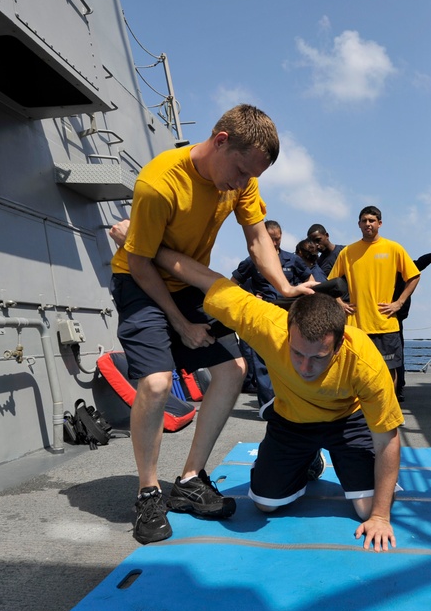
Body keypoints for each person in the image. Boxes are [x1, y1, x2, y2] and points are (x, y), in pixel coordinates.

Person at [109, 104, 314, 545]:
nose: (242, 184)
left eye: (250, 177)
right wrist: (182, 324)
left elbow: (258, 237)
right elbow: (142, 263)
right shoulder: (159, 184)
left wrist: (285, 287)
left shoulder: (243, 177)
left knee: (232, 370)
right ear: (221, 140)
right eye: (240, 171)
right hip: (139, 281)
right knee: (158, 384)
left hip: (185, 282)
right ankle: (148, 491)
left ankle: (189, 480)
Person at [154, 246, 402, 552]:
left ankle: (341, 472)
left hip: (346, 421)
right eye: (297, 353)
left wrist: (380, 516)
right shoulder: (267, 324)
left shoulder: (364, 362)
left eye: (318, 358)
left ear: (339, 346)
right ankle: (308, 460)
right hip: (292, 420)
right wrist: (147, 245)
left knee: (368, 509)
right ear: (287, 331)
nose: (305, 367)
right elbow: (208, 280)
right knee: (265, 505)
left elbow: (387, 439)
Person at [328, 206, 421, 390]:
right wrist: (340, 303)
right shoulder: (347, 252)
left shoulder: (393, 248)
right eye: (364, 220)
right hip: (356, 325)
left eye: (372, 220)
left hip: (385, 324)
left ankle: (388, 411)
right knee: (355, 371)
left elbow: (414, 276)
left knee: (389, 371)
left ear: (380, 223)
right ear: (359, 224)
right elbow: (330, 282)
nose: (368, 224)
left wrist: (399, 303)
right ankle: (360, 413)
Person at [231, 220, 315, 409]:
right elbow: (232, 284)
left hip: (289, 316)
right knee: (262, 360)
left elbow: (310, 280)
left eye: (277, 239)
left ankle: (293, 403)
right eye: (271, 239)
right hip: (263, 315)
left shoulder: (292, 260)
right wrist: (251, 298)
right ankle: (268, 406)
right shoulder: (252, 261)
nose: (275, 243)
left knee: (291, 358)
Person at [393, 237, 431, 401]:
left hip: (392, 314)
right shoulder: (404, 268)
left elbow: (424, 260)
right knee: (397, 353)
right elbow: (423, 261)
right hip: (395, 314)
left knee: (393, 353)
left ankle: (396, 388)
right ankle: (398, 388)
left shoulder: (395, 269)